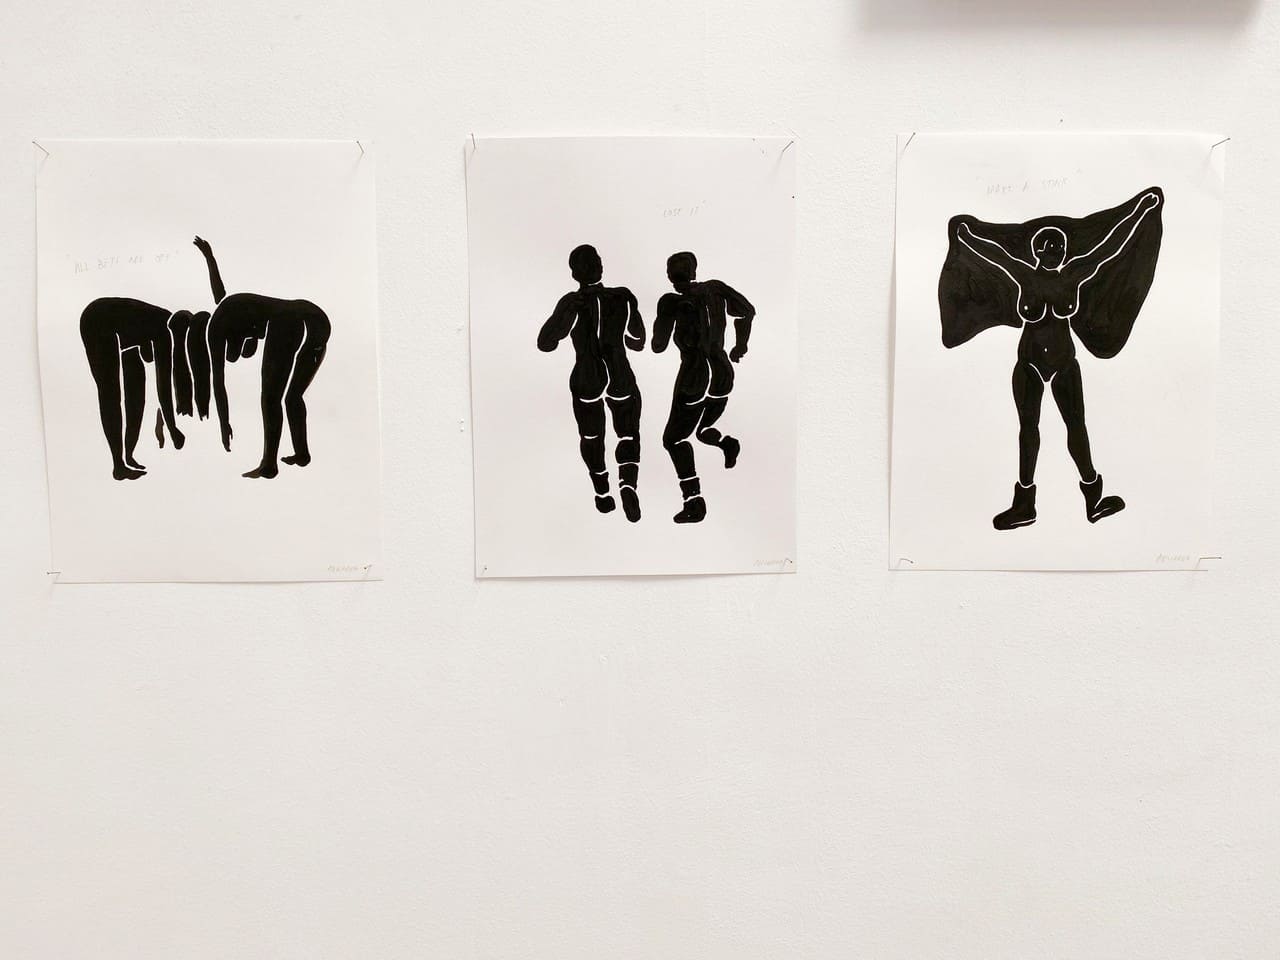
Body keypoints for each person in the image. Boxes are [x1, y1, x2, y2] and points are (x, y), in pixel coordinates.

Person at [946, 188, 1162, 529]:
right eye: (1048, 247)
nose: (1054, 251)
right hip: (1029, 364)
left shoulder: (1073, 274)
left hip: (1064, 364)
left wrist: (1138, 212)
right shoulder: (1024, 275)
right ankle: (1024, 505)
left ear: (1064, 252)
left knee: (1076, 427)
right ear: (1037, 252)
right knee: (1028, 431)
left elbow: (1109, 248)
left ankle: (1093, 497)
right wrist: (969, 237)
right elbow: (996, 255)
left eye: (1058, 247)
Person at [194, 236, 330, 479]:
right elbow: (219, 292)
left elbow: (218, 383)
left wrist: (224, 424)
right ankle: (302, 454)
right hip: (314, 317)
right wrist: (209, 256)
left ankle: (269, 465)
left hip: (292, 320)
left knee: (270, 398)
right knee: (292, 396)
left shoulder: (216, 330)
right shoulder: (229, 309)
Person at [537, 244, 645, 522]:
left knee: (591, 437)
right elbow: (638, 341)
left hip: (588, 377)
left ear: (575, 274)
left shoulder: (572, 303)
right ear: (600, 266)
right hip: (620, 374)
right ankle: (628, 485)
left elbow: (545, 343)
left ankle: (602, 492)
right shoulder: (623, 297)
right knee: (628, 434)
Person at [653, 252, 755, 523]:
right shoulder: (716, 289)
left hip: (694, 378)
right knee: (701, 429)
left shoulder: (671, 301)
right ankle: (724, 442)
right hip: (722, 374)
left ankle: (693, 501)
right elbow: (747, 311)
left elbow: (658, 345)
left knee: (674, 439)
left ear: (670, 276)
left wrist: (662, 322)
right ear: (694, 271)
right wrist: (740, 345)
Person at [79, 297, 186, 479]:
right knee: (110, 392)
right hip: (98, 320)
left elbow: (137, 394)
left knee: (134, 395)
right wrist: (172, 428)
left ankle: (128, 456)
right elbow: (164, 387)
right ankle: (118, 466)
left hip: (114, 328)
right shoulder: (166, 330)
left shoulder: (145, 332)